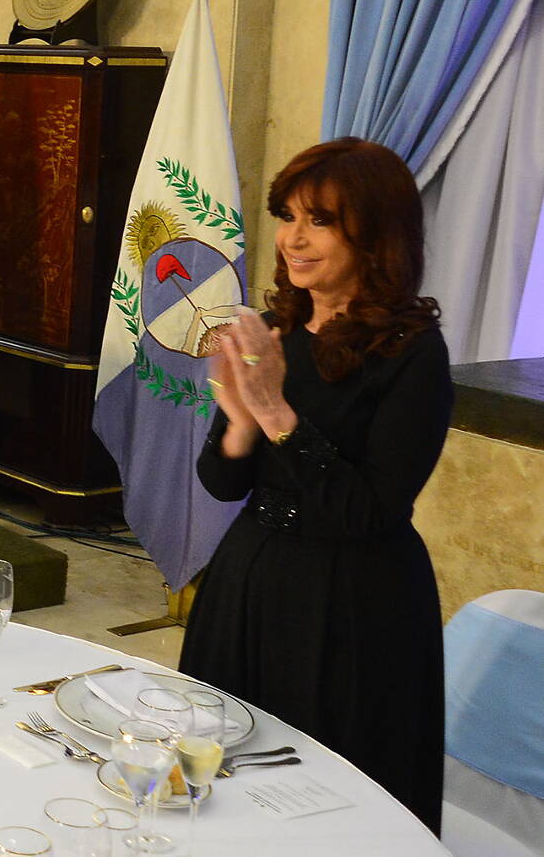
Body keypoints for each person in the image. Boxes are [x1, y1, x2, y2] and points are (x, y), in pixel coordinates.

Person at [180, 138, 451, 831]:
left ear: (376, 233)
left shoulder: (413, 349)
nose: (293, 239)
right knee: (223, 775)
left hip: (355, 606)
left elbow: (369, 510)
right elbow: (220, 481)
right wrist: (239, 424)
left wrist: (273, 411)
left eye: (320, 221)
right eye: (287, 215)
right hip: (250, 580)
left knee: (327, 805)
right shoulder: (279, 327)